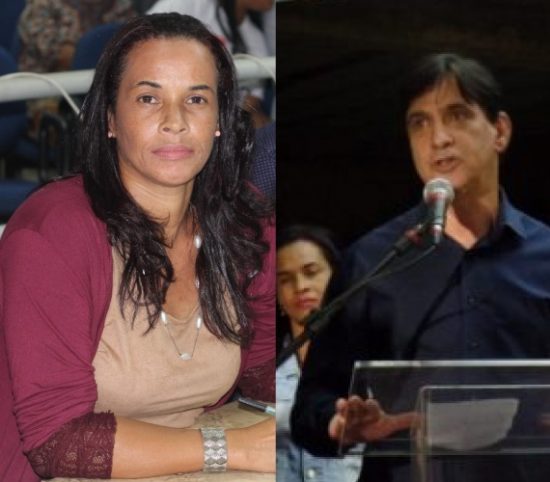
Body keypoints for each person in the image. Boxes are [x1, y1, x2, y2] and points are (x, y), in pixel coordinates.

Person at [0, 13, 275, 481]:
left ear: (219, 120)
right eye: (149, 98)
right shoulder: (52, 233)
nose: (175, 122)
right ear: (110, 117)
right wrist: (235, 449)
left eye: (196, 99)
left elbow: (263, 370)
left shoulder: (243, 223)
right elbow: (55, 439)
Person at [291, 52, 550, 482]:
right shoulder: (374, 260)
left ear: (500, 131)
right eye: (420, 123)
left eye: (457, 115)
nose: (438, 138)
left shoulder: (545, 255)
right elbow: (310, 408)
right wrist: (341, 423)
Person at [276, 225, 361, 482]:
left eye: (311, 272)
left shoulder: (364, 357)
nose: (300, 286)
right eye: (285, 279)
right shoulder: (258, 369)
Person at [147, 0, 274, 127]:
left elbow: (252, 100)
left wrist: (242, 116)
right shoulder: (193, 4)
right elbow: (143, 35)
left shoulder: (256, 40)